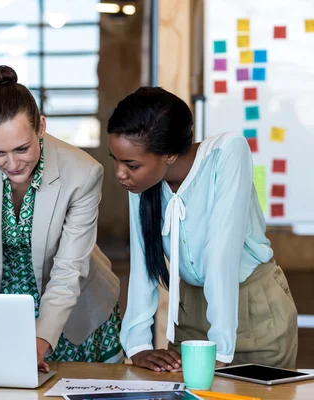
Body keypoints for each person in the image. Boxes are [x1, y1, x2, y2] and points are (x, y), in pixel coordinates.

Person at [108, 86, 298, 371]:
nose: (120, 173)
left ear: (169, 154)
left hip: (254, 310)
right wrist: (138, 345)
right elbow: (143, 260)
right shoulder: (141, 182)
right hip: (190, 312)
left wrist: (221, 350)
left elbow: (220, 252)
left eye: (131, 164)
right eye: (117, 160)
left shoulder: (227, 152)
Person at [0, 65, 123, 370]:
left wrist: (41, 339)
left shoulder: (82, 173)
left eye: (22, 148)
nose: (12, 163)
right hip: (1, 300)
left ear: (40, 127)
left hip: (72, 305)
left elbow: (69, 270)